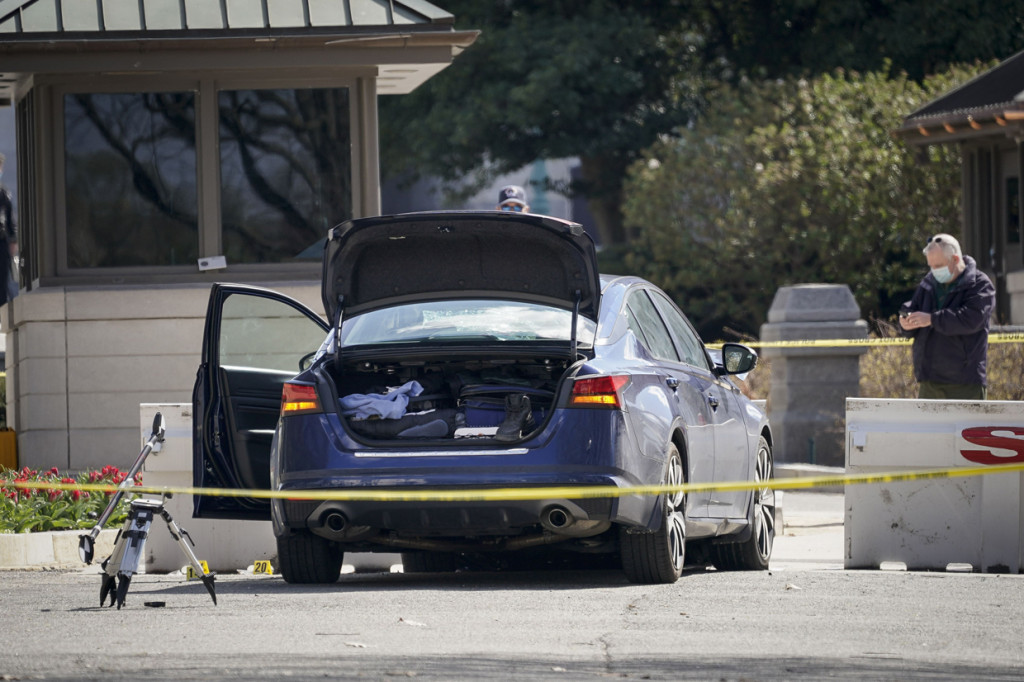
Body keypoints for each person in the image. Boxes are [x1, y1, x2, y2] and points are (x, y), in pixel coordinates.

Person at [899, 233, 995, 399]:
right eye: (931, 266)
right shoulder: (928, 283)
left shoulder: (980, 284)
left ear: (956, 259)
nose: (934, 271)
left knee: (968, 426)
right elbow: (914, 308)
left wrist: (931, 319)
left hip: (965, 383)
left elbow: (972, 319)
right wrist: (906, 321)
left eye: (939, 265)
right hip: (929, 382)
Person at [0, 152, 17, 306]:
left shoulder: (4, 194)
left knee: (3, 281)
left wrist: (13, 239)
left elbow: (10, 219)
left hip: (2, 242)